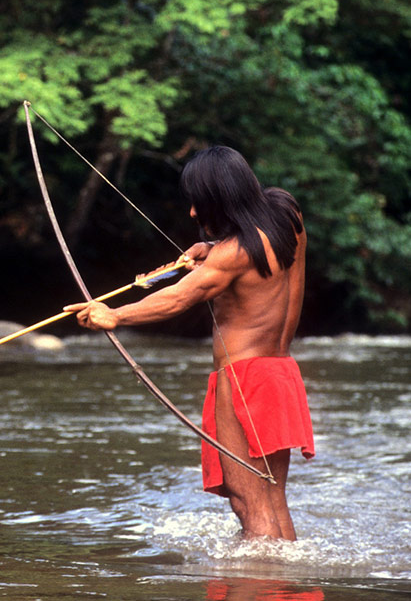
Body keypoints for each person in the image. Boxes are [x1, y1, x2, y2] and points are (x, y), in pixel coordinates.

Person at [64, 146, 314, 540]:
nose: (194, 213)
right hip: (280, 374)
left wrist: (113, 315)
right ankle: (285, 589)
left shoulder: (232, 255)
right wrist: (212, 249)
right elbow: (248, 254)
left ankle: (259, 584)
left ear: (220, 198)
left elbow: (178, 298)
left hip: (244, 380)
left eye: (200, 203)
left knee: (248, 502)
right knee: (271, 497)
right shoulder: (287, 215)